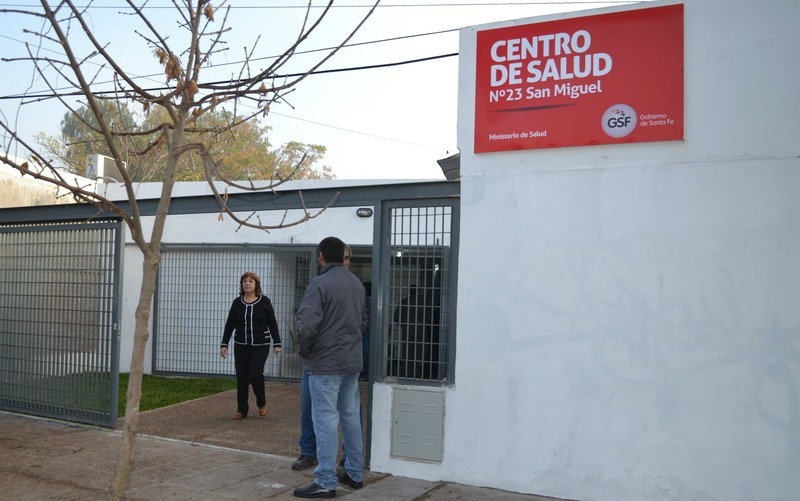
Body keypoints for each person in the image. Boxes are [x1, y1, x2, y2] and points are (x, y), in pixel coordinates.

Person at [293, 237, 365, 499]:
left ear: (321, 256)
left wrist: (306, 352)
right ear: (341, 256)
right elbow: (362, 321)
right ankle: (355, 472)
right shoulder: (356, 283)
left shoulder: (319, 283)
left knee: (324, 419)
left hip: (325, 364)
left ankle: (325, 480)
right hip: (351, 362)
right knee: (350, 417)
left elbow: (306, 325)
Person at [220, 271, 282, 420]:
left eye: (251, 281)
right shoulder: (237, 302)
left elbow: (272, 323)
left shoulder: (264, 301)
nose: (247, 283)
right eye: (245, 281)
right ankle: (242, 409)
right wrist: (224, 344)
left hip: (261, 344)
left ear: (256, 285)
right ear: (242, 285)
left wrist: (277, 342)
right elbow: (230, 324)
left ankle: (261, 403)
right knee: (242, 377)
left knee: (255, 374)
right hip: (241, 344)